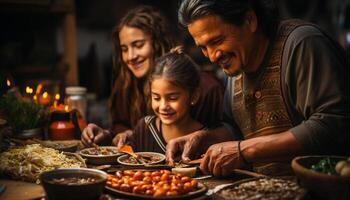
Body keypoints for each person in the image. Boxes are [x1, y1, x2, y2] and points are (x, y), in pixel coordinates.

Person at [166, 0, 350, 176]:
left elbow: (333, 123)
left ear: (249, 20)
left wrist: (243, 150)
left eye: (217, 41)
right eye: (203, 48)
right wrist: (202, 138)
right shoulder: (236, 67)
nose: (212, 57)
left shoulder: (302, 44)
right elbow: (237, 130)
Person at [81, 5, 224, 148]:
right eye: (124, 49)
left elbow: (219, 139)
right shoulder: (125, 84)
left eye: (138, 45)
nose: (130, 57)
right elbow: (120, 129)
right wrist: (106, 136)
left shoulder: (206, 88)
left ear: (157, 43)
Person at [128, 46, 206, 153]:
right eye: (156, 98)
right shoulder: (144, 128)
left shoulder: (205, 138)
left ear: (194, 96)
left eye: (172, 98)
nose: (163, 106)